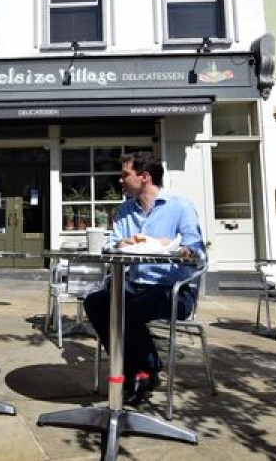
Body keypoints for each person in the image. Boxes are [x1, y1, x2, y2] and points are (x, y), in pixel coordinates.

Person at [83, 151, 206, 407]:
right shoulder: (125, 210)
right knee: (96, 302)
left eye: (125, 174)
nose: (120, 180)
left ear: (145, 176)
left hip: (172, 290)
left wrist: (185, 252)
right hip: (133, 286)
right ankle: (141, 369)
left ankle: (139, 373)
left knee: (123, 310)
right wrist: (120, 242)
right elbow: (109, 245)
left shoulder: (180, 207)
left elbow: (197, 252)